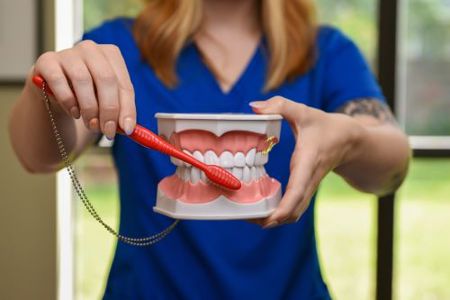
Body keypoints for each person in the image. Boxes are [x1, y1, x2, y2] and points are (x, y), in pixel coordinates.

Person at [9, 0, 410, 299]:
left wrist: (350, 138)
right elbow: (36, 155)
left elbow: (392, 166)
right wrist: (46, 85)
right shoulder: (116, 46)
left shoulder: (327, 52)